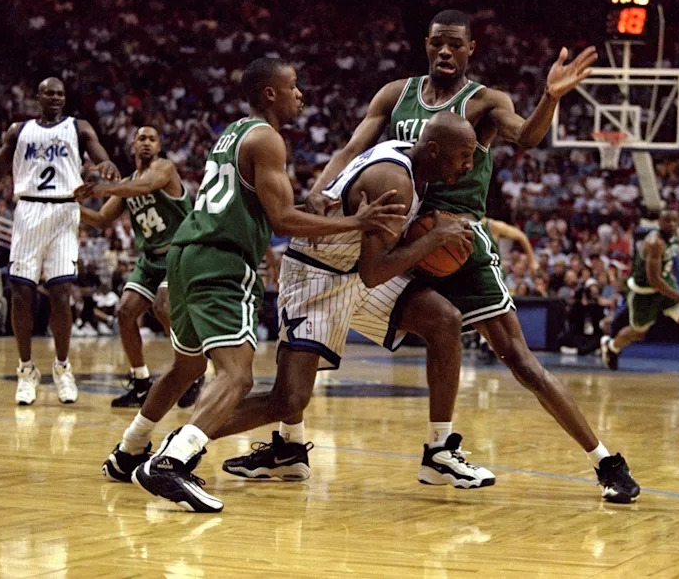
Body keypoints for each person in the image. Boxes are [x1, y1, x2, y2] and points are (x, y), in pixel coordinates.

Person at [297, 9, 639, 503]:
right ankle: (302, 442)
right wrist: (321, 189)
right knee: (331, 301)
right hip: (404, 235)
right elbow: (352, 146)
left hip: (458, 240)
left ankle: (605, 460)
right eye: (438, 43)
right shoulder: (396, 93)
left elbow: (526, 136)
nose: (445, 52)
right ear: (426, 44)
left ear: (471, 49)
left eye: (456, 44)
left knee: (520, 360)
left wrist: (550, 97)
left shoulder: (485, 101)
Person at [102, 58, 406, 512]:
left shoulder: (236, 132)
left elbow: (264, 205)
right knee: (237, 376)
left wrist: (309, 204)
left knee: (186, 367)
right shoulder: (268, 138)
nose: (300, 94)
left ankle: (128, 451)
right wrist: (355, 221)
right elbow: (283, 221)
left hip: (185, 255)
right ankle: (171, 463)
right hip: (222, 261)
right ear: (270, 93)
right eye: (294, 86)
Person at [210, 113, 495, 493]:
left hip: (353, 271)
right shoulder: (394, 182)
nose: (468, 165)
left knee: (445, 321)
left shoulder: (404, 158)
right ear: (433, 150)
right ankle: (186, 437)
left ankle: (439, 451)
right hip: (318, 276)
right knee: (289, 397)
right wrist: (433, 239)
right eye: (463, 155)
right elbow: (374, 272)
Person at [0, 76, 120, 405]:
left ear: (65, 98)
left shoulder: (79, 128)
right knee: (21, 294)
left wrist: (105, 164)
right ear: (37, 96)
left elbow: (102, 157)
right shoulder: (18, 131)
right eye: (49, 92)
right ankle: (26, 370)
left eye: (60, 93)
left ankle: (63, 368)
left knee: (61, 293)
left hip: (65, 211)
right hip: (28, 211)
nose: (55, 97)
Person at [75, 125, 204, 408]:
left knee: (163, 306)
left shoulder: (165, 169)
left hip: (178, 253)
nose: (146, 143)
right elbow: (100, 219)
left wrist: (101, 187)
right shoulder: (127, 184)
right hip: (149, 260)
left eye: (152, 139)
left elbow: (145, 186)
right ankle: (141, 382)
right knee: (124, 312)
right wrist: (68, 208)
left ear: (158, 146)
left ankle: (194, 370)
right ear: (133, 146)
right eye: (141, 139)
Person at [601, 210, 679, 388]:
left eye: (675, 221)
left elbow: (678, 241)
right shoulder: (654, 243)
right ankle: (611, 346)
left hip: (665, 284)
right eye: (667, 221)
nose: (672, 224)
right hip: (645, 292)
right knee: (638, 333)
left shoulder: (676, 232)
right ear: (659, 222)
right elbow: (654, 281)